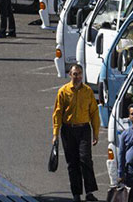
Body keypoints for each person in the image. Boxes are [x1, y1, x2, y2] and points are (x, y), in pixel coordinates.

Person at [52, 64, 100, 202]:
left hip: (84, 129)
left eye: (79, 74)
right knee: (72, 163)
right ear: (70, 75)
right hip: (68, 130)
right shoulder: (63, 91)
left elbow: (94, 113)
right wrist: (55, 134)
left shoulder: (88, 91)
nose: (77, 76)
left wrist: (96, 133)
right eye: (75, 74)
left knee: (85, 160)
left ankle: (90, 192)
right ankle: (76, 193)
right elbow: (58, 113)